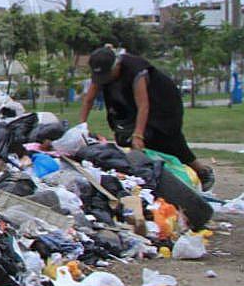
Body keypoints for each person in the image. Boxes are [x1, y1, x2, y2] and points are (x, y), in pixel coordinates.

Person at [79, 46, 214, 189]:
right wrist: (81, 127)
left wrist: (138, 135)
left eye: (108, 75)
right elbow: (89, 100)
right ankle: (152, 179)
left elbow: (143, 105)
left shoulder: (136, 70)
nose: (105, 80)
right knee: (125, 138)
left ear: (116, 64)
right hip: (130, 106)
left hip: (163, 102)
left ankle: (202, 171)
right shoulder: (102, 73)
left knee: (166, 139)